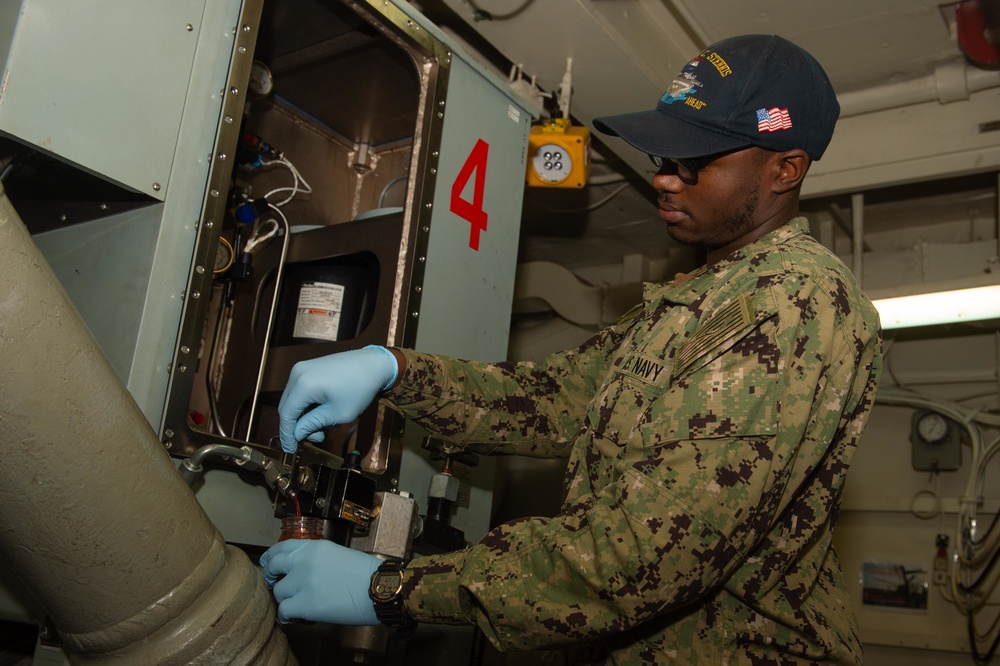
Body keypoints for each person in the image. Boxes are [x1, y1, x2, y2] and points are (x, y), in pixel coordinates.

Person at [259, 34, 883, 664]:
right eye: (662, 154)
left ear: (785, 168)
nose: (663, 179)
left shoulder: (792, 301)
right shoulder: (703, 297)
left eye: (693, 162)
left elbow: (646, 557)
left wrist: (392, 590)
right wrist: (395, 372)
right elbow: (552, 400)